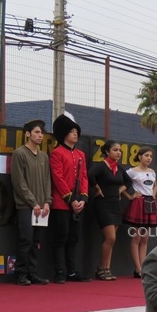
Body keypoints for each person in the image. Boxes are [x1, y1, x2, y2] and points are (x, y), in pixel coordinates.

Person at [11, 119, 51, 287]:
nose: (40, 135)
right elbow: (19, 182)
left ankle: (33, 273)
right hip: (25, 206)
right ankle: (21, 274)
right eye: (36, 132)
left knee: (36, 242)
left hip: (42, 208)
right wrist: (33, 203)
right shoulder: (19, 153)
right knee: (26, 240)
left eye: (42, 133)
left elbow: (47, 181)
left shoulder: (44, 157)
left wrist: (47, 202)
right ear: (27, 134)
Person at [49, 114, 89, 284]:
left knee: (73, 238)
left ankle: (71, 271)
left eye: (76, 131)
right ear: (64, 133)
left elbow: (84, 177)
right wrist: (71, 199)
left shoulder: (81, 154)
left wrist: (83, 198)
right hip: (62, 203)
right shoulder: (56, 153)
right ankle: (60, 271)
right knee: (61, 237)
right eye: (72, 131)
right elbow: (58, 178)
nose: (75, 134)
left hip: (78, 202)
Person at [88, 140, 132, 281]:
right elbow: (89, 175)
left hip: (115, 204)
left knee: (111, 240)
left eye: (120, 150)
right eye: (115, 150)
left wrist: (120, 190)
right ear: (107, 151)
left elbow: (128, 181)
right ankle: (101, 268)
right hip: (103, 204)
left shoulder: (119, 168)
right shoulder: (101, 166)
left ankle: (106, 268)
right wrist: (97, 188)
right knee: (110, 237)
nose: (118, 152)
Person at [122, 147, 157, 278]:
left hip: (150, 203)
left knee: (145, 238)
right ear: (139, 157)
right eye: (146, 155)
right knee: (136, 237)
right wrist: (129, 196)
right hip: (138, 204)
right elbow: (122, 185)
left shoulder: (152, 172)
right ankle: (137, 269)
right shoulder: (131, 171)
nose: (149, 158)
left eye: (151, 156)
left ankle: (143, 268)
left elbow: (155, 185)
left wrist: (153, 195)